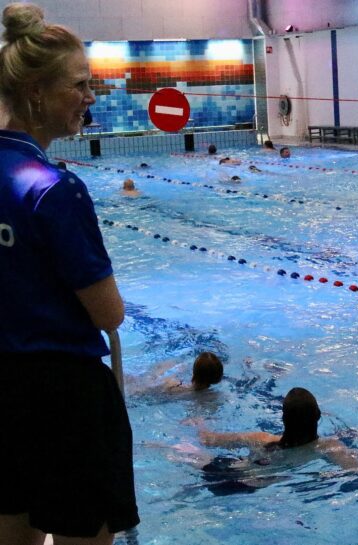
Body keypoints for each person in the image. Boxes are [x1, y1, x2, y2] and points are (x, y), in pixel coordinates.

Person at [0, 3, 139, 543]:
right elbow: (109, 314)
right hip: (64, 401)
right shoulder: (53, 189)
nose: (90, 97)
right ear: (37, 92)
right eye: (79, 85)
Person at [197, 387, 358, 471]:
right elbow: (355, 471)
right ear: (318, 416)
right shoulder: (329, 447)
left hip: (228, 475)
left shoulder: (260, 439)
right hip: (258, 489)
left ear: (283, 419)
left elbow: (208, 440)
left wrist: (199, 421)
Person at [129, 351, 224, 397]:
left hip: (147, 391)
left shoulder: (174, 385)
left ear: (194, 373)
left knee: (168, 365)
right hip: (158, 392)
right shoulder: (212, 396)